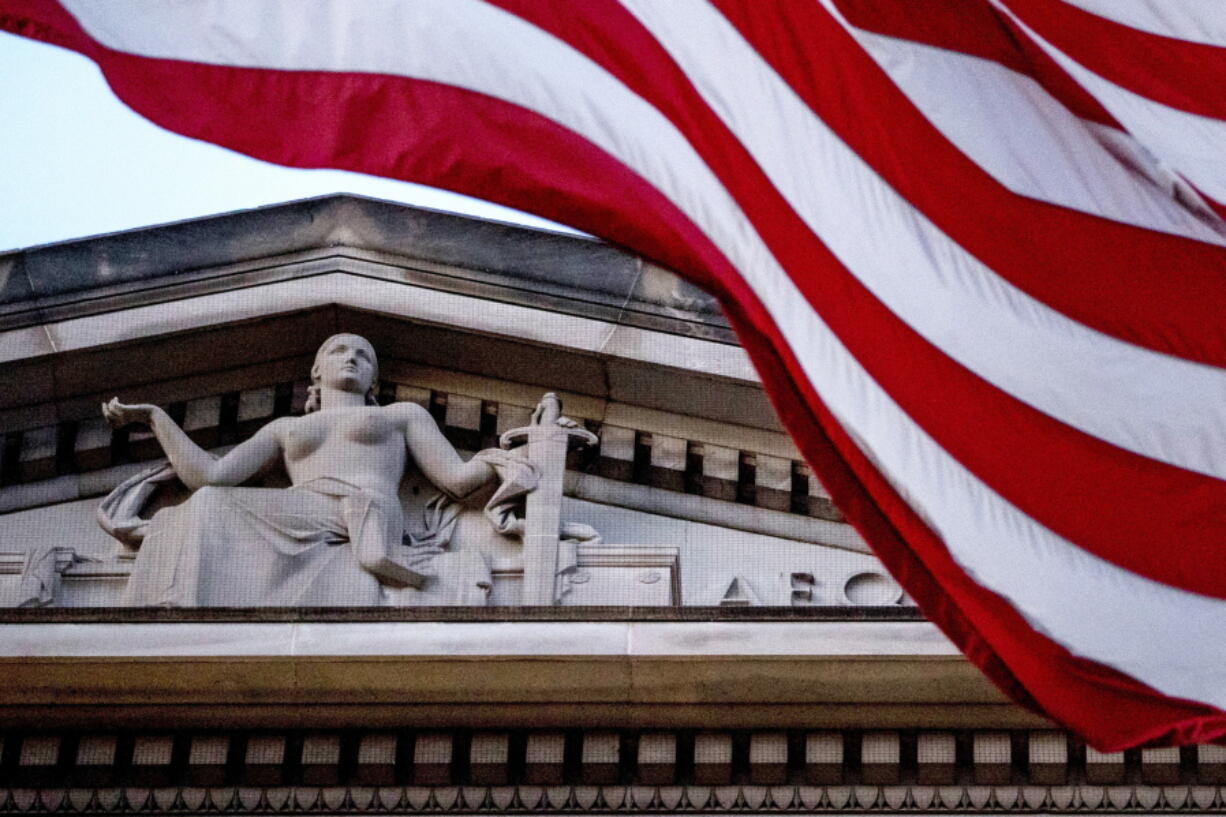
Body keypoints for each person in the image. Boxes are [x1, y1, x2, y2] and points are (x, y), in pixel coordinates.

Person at [102, 333, 501, 606]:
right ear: (316, 372)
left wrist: (506, 458)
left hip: (366, 510)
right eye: (339, 351)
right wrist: (156, 419)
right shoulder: (285, 428)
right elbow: (210, 477)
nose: (351, 358)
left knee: (208, 506)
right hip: (302, 511)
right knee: (203, 504)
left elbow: (458, 480)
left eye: (363, 356)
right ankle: (181, 609)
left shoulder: (401, 415)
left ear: (373, 378)